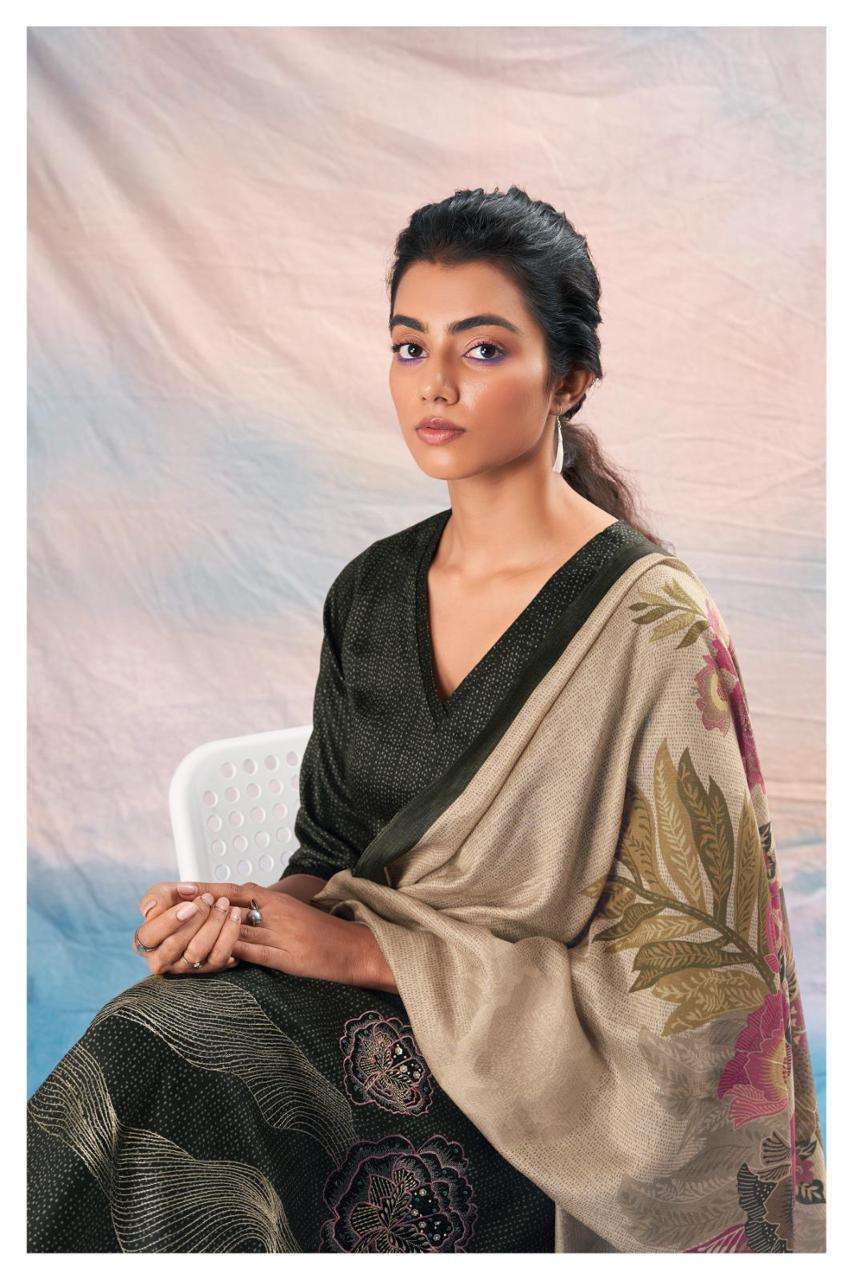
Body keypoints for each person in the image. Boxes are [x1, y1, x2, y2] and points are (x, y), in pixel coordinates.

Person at [27, 186, 825, 1253]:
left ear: (569, 379)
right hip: (358, 1016)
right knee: (151, 1044)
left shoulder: (652, 626)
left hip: (544, 1093)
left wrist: (363, 954)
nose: (433, 383)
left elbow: (692, 991)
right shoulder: (369, 592)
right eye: (409, 346)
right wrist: (239, 915)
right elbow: (329, 853)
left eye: (482, 349)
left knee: (181, 1075)